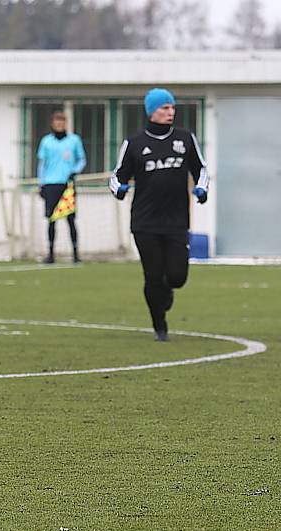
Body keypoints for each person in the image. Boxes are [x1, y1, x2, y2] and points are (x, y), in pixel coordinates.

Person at [109, 88, 209, 341]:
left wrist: (201, 188)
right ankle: (159, 325)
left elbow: (201, 169)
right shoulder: (134, 143)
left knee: (177, 277)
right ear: (151, 111)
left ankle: (168, 291)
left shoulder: (185, 139)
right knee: (153, 276)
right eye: (164, 108)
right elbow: (116, 175)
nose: (170, 112)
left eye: (172, 108)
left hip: (176, 221)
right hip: (145, 222)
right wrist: (119, 189)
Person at [36, 110, 86, 264]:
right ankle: (50, 253)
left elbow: (82, 159)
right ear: (52, 124)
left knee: (71, 219)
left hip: (67, 185)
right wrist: (41, 184)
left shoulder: (74, 140)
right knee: (51, 219)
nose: (59, 124)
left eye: (62, 122)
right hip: (51, 184)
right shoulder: (46, 142)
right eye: (57, 122)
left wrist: (74, 171)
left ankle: (76, 253)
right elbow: (42, 164)